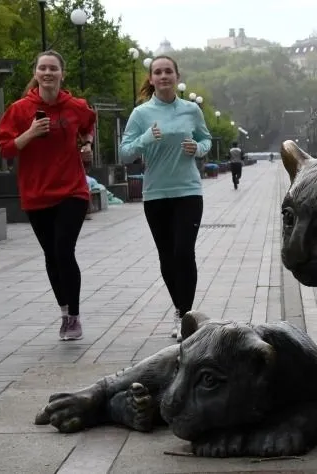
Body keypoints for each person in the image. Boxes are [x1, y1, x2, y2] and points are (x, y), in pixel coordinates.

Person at [0, 50, 96, 341]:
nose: (48, 73)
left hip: (72, 190)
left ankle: (74, 317)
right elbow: (5, 148)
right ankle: (64, 312)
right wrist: (29, 133)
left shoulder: (75, 106)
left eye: (53, 68)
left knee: (64, 251)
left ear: (62, 74)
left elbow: (89, 123)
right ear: (36, 73)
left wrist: (86, 143)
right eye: (43, 68)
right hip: (36, 192)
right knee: (51, 255)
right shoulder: (19, 109)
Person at [118, 55, 212, 342]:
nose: (163, 76)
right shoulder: (141, 114)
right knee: (167, 256)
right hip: (156, 194)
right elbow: (125, 153)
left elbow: (206, 140)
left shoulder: (191, 110)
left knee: (184, 252)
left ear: (177, 76)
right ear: (151, 78)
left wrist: (197, 147)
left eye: (168, 71)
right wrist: (146, 138)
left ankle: (185, 316)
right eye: (157, 72)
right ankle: (179, 309)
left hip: (188, 191)